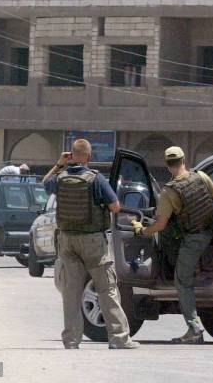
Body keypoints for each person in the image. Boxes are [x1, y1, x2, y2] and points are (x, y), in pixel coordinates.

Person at [43, 139, 139, 350]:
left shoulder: (60, 177)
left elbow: (44, 183)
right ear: (89, 157)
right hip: (93, 242)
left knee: (71, 292)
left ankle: (71, 340)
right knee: (107, 289)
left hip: (67, 241)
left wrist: (59, 164)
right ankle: (119, 338)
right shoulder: (96, 179)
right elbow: (115, 206)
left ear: (71, 156)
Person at [133, 146, 213, 344]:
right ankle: (195, 265)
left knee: (182, 281)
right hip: (211, 230)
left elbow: (159, 224)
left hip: (195, 238)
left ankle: (194, 329)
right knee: (171, 232)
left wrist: (141, 230)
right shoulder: (201, 176)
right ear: (183, 160)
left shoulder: (169, 191)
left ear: (167, 166)